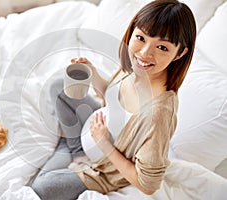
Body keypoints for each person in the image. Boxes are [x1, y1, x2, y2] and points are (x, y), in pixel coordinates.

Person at [32, 0, 196, 199]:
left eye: (162, 47)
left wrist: (103, 144)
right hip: (93, 131)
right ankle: (74, 147)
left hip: (106, 169)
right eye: (141, 38)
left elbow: (148, 186)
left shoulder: (158, 114)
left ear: (180, 53)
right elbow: (112, 98)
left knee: (43, 187)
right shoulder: (135, 68)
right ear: (132, 31)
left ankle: (73, 149)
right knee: (58, 86)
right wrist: (93, 74)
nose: (145, 53)